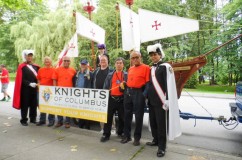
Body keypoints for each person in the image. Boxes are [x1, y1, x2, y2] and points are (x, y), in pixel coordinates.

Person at [146, 44, 181, 157]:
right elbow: (150, 85)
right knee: (153, 122)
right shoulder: (151, 68)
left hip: (161, 102)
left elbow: (169, 85)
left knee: (161, 125)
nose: (153, 57)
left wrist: (167, 100)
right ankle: (155, 140)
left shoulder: (166, 67)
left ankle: (162, 147)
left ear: (160, 55)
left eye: (155, 54)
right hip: (151, 101)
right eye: (151, 55)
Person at [121, 50, 150, 146]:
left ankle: (137, 138)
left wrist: (144, 95)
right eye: (133, 58)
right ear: (131, 59)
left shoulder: (146, 68)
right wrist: (125, 84)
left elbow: (148, 84)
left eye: (137, 57)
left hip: (139, 93)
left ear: (140, 57)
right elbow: (129, 80)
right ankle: (127, 136)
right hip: (129, 92)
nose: (135, 59)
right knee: (127, 115)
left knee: (138, 116)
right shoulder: (130, 69)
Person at [100, 57, 127, 142]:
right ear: (115, 64)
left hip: (122, 99)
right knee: (108, 118)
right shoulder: (110, 75)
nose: (119, 64)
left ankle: (121, 132)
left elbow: (129, 87)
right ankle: (106, 134)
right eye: (117, 63)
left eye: (120, 63)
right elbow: (105, 86)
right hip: (111, 99)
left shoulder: (126, 75)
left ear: (123, 65)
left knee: (122, 118)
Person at [13, 50, 40, 126]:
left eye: (31, 56)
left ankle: (33, 119)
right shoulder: (22, 67)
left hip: (34, 88)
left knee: (33, 105)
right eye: (28, 56)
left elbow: (38, 77)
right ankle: (24, 120)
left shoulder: (36, 66)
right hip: (25, 89)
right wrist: (29, 83)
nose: (29, 57)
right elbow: (21, 79)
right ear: (25, 56)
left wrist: (37, 83)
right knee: (25, 105)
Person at [52, 56, 76, 128]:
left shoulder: (73, 70)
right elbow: (54, 80)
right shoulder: (57, 70)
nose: (66, 62)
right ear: (62, 61)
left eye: (67, 61)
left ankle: (67, 122)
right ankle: (60, 121)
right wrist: (55, 90)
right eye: (65, 60)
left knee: (68, 107)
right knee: (60, 107)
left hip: (69, 92)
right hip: (59, 92)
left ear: (70, 62)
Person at [93, 54, 113, 133]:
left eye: (104, 60)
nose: (103, 61)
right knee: (101, 113)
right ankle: (103, 128)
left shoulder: (111, 71)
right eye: (101, 60)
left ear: (108, 61)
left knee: (110, 113)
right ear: (99, 62)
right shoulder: (96, 71)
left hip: (109, 95)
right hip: (98, 96)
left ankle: (112, 128)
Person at [72, 59, 93, 129]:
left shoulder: (90, 74)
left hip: (87, 95)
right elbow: (74, 83)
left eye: (84, 64)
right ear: (80, 65)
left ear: (87, 65)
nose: (83, 65)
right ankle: (80, 125)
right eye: (82, 64)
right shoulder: (77, 74)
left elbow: (93, 85)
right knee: (80, 111)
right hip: (78, 95)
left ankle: (87, 126)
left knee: (87, 111)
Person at [36, 56, 55, 127]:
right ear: (44, 62)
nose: (47, 62)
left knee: (51, 106)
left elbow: (54, 80)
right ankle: (42, 120)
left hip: (50, 90)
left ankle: (51, 120)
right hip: (41, 90)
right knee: (42, 105)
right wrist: (39, 85)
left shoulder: (54, 70)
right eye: (46, 61)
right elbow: (38, 79)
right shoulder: (41, 70)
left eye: (48, 61)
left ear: (51, 62)